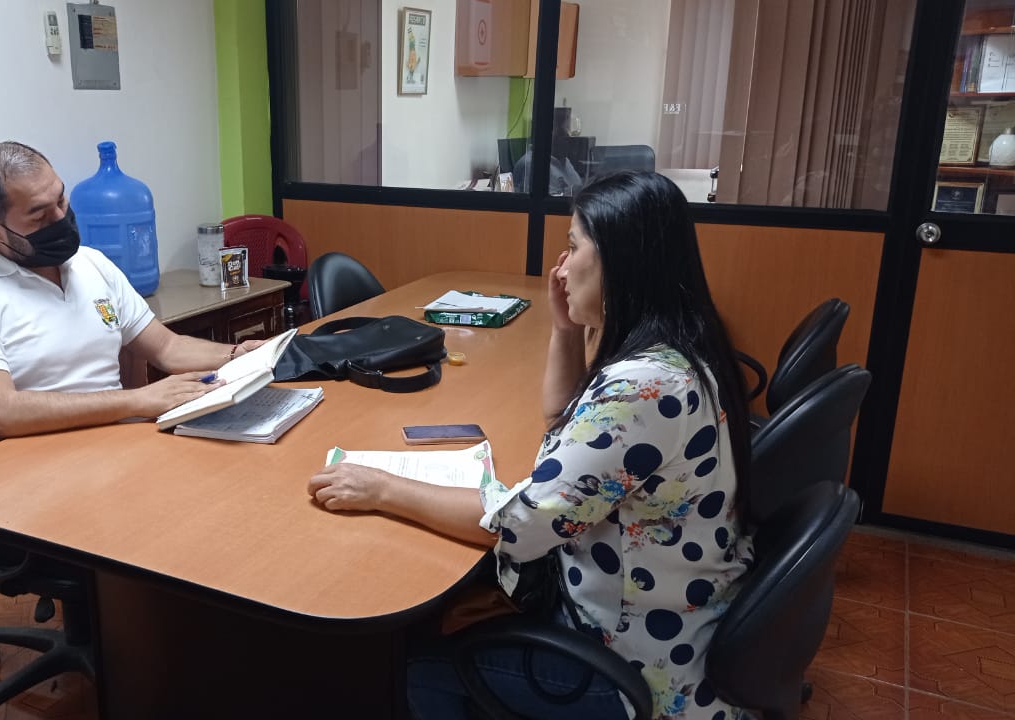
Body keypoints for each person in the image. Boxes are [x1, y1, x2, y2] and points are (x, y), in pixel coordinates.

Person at [307, 171, 753, 720]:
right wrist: (564, 330)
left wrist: (380, 488)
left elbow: (520, 524)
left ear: (620, 262)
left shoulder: (644, 390)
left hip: (637, 670)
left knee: (415, 663)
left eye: (573, 246)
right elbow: (559, 422)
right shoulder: (673, 352)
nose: (560, 268)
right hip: (667, 613)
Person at [0, 141, 261, 462]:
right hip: (10, 483)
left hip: (112, 457)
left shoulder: (90, 263)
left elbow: (167, 347)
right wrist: (138, 399)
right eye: (39, 215)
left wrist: (238, 355)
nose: (60, 219)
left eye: (61, 201)